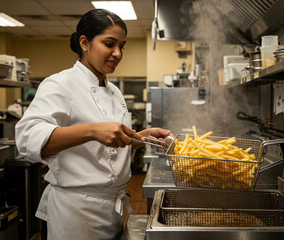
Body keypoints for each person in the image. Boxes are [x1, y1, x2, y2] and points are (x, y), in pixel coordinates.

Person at [15, 9, 172, 240]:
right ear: (84, 42)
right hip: (76, 212)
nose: (117, 53)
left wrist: (141, 137)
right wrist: (91, 131)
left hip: (112, 208)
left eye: (122, 46)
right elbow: (27, 139)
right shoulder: (60, 84)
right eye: (109, 44)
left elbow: (109, 151)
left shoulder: (114, 92)